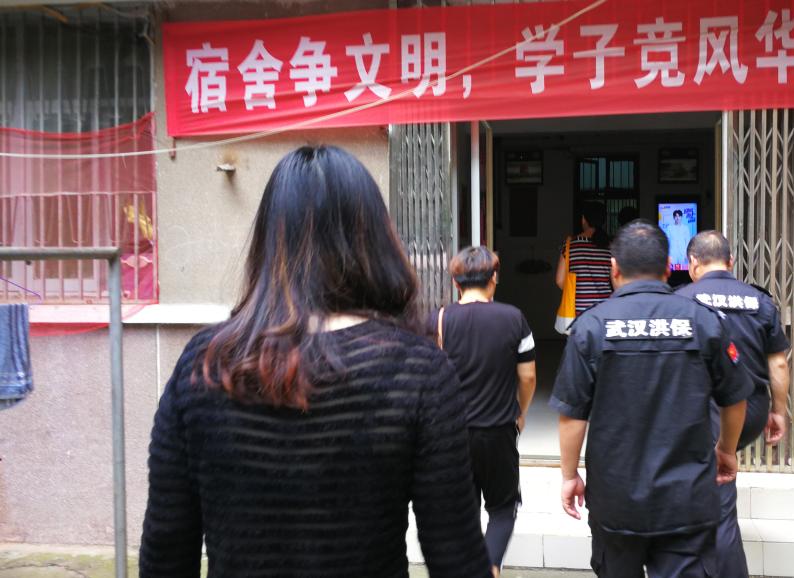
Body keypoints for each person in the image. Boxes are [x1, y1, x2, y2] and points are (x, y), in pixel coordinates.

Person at [139, 146, 491, 578]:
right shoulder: (418, 372)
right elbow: (458, 559)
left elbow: (165, 553)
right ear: (375, 240)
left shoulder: (203, 364)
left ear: (269, 241)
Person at [549, 220, 754, 578]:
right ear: (668, 268)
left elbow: (572, 415)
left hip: (616, 499)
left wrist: (570, 475)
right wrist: (726, 449)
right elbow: (735, 397)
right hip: (686, 498)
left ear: (614, 268)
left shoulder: (591, 327)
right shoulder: (703, 321)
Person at [676, 230, 791, 578]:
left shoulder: (681, 300)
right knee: (710, 482)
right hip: (752, 410)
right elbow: (779, 363)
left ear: (693, 263)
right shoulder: (760, 301)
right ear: (730, 262)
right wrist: (778, 412)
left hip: (708, 413)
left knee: (720, 499)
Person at [432, 246, 537, 577]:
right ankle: (490, 568)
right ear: (494, 278)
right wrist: (520, 413)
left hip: (453, 435)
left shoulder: (440, 320)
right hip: (498, 431)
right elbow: (528, 377)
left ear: (455, 282)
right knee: (502, 509)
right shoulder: (513, 318)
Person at [555, 201, 613, 320]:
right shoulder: (611, 247)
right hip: (606, 313)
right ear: (603, 221)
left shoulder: (569, 246)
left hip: (578, 315)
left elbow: (560, 281)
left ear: (583, 219)